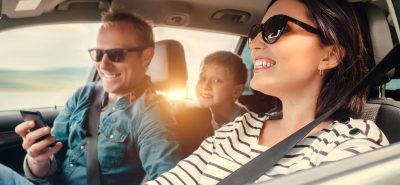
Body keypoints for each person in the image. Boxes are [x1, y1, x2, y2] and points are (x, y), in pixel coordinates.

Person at [146, 0, 389, 184]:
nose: (254, 43)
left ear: (330, 55)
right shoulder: (236, 130)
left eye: (275, 29)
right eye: (255, 32)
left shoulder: (351, 144)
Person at [14, 11, 184, 185]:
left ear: (146, 56)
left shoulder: (152, 112)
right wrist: (37, 159)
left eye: (116, 54)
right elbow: (53, 157)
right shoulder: (83, 95)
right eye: (98, 54)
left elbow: (168, 178)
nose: (103, 65)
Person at [196, 51, 248, 130]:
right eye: (203, 78)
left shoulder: (243, 125)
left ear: (236, 91)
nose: (205, 86)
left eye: (217, 80)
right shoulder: (203, 115)